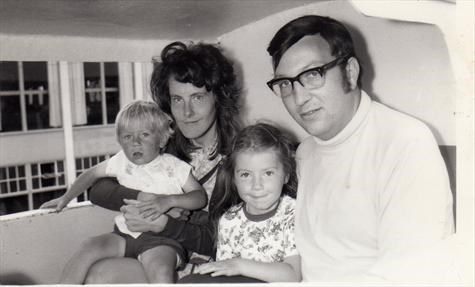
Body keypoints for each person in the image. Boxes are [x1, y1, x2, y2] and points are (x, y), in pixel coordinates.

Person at [266, 15, 455, 282]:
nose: (299, 97)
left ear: (350, 73)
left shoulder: (406, 142)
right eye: (285, 83)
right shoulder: (306, 152)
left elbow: (409, 276)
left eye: (312, 74)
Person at [83, 41, 241, 283]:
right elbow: (98, 189)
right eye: (177, 99)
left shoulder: (238, 158)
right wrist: (150, 200)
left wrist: (164, 223)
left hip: (208, 265)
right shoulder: (162, 143)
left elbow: (228, 241)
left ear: (218, 98)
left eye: (197, 97)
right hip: (154, 252)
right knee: (98, 274)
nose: (186, 112)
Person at [40, 100, 207, 283]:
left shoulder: (174, 167)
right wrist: (66, 197)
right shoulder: (121, 162)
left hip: (162, 240)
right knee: (88, 247)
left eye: (144, 135)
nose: (135, 143)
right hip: (124, 235)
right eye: (127, 137)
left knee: (160, 272)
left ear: (162, 139)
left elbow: (199, 197)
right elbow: (91, 174)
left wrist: (170, 201)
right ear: (120, 141)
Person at [179, 123, 301, 283]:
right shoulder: (229, 220)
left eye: (268, 173)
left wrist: (239, 266)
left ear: (286, 175)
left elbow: (293, 275)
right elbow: (224, 274)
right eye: (245, 175)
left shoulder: (293, 213)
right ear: (234, 179)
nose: (257, 185)